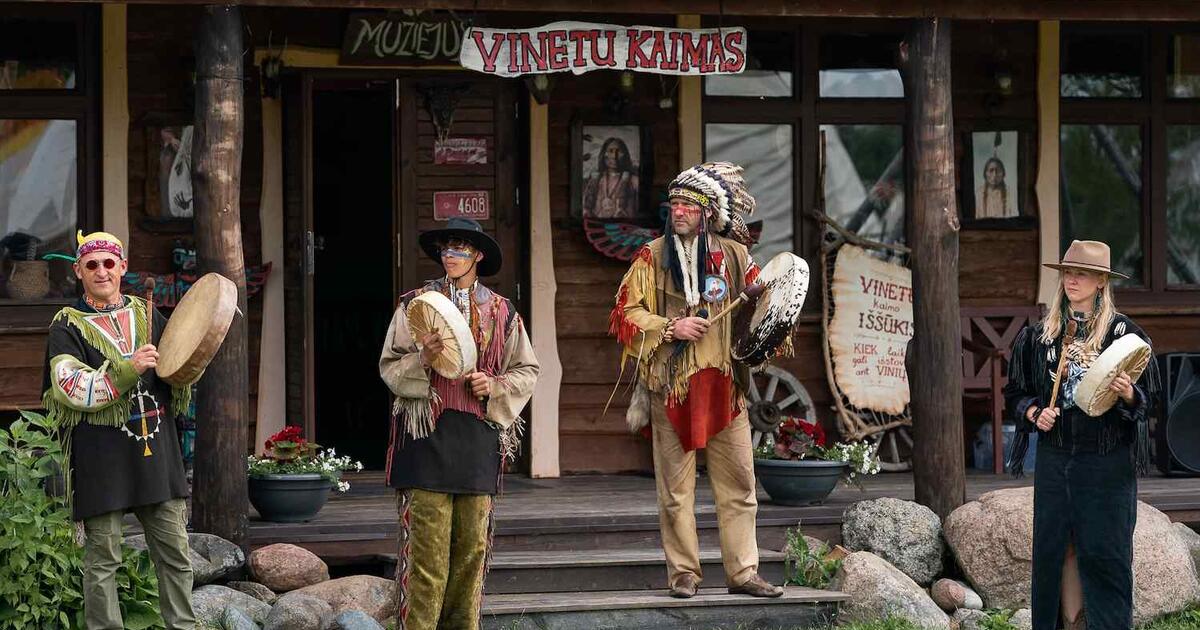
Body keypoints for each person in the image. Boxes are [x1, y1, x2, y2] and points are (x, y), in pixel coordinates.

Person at [609, 162, 783, 599]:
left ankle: (744, 573)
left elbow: (764, 309)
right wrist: (671, 327)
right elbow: (626, 315)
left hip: (725, 389)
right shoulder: (651, 256)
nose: (679, 211)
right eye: (674, 204)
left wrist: (765, 314)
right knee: (675, 491)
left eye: (688, 205)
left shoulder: (735, 255)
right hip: (673, 389)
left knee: (740, 486)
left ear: (707, 212)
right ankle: (684, 574)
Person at [380, 217, 539, 630]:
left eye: (460, 249)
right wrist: (423, 358)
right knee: (426, 555)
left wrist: (494, 385)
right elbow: (390, 366)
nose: (450, 256)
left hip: (477, 437)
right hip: (425, 435)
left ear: (478, 256)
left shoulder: (502, 312)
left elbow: (527, 370)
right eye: (445, 249)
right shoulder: (415, 305)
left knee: (471, 552)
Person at [42, 231, 196, 630]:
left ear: (123, 267)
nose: (102, 271)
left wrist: (193, 359)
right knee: (102, 562)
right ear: (78, 271)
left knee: (175, 553)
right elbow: (69, 385)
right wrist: (130, 369)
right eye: (91, 264)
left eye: (109, 263)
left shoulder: (147, 315)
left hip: (156, 449)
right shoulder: (67, 326)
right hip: (100, 457)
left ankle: (183, 626)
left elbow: (179, 367)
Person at [1004, 240, 1158, 630]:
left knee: (1107, 554)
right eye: (1068, 273)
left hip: (1107, 461)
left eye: (1083, 274)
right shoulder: (1039, 336)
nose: (1072, 280)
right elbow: (1015, 394)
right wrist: (1035, 413)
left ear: (1101, 282)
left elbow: (1150, 402)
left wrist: (1128, 394)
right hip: (1056, 459)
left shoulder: (1125, 336)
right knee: (1057, 551)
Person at [582, 136, 639, 219]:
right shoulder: (595, 179)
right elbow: (585, 208)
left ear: (625, 155)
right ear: (603, 155)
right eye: (610, 151)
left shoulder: (634, 181)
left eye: (619, 152)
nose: (614, 156)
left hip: (625, 225)